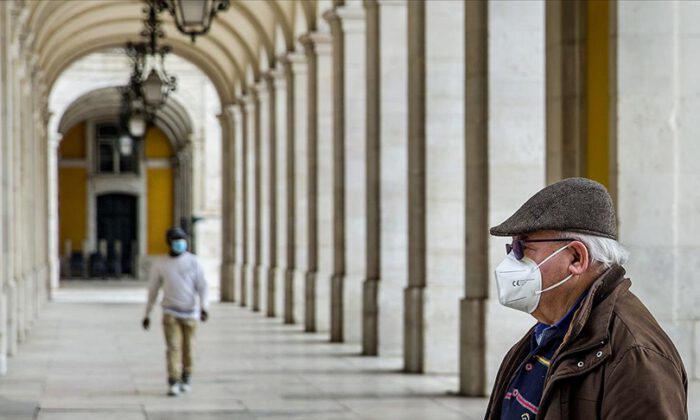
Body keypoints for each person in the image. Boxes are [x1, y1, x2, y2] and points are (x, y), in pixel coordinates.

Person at [484, 177, 687, 419]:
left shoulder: (636, 357)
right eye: (511, 249)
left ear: (576, 259)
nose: (511, 262)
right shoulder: (549, 332)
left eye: (522, 249)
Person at [142, 227, 209, 397]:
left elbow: (202, 286)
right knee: (173, 348)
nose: (181, 243)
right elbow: (153, 290)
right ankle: (173, 380)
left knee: (189, 349)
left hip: (191, 313)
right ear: (169, 242)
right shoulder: (161, 263)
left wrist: (204, 307)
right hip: (170, 312)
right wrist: (147, 314)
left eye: (183, 239)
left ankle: (187, 376)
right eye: (177, 240)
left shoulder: (194, 261)